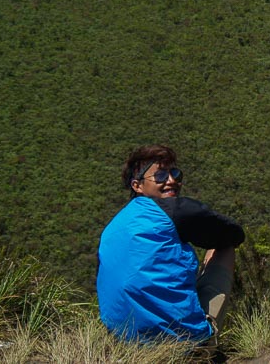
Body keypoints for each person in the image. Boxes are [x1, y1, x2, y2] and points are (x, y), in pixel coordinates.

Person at [97, 145, 244, 342]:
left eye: (175, 173)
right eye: (160, 176)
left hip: (123, 340)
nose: (172, 181)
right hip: (184, 343)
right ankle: (203, 334)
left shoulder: (113, 226)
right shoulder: (176, 210)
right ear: (137, 186)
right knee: (223, 246)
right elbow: (233, 234)